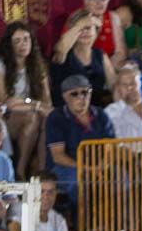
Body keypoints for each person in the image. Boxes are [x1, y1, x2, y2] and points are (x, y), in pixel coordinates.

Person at [0, 22, 52, 180]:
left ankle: (42, 171)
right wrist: (35, 104)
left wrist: (29, 103)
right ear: (9, 45)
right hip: (6, 117)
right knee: (33, 116)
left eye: (26, 39)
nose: (23, 44)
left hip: (32, 113)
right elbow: (6, 102)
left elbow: (47, 102)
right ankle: (20, 170)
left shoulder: (38, 65)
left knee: (47, 119)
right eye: (17, 41)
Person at [46, 74, 116, 207]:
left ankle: (120, 219)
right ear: (65, 96)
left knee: (123, 178)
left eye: (85, 92)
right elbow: (58, 156)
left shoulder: (101, 115)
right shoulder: (56, 117)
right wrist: (87, 169)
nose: (81, 97)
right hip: (66, 168)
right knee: (80, 182)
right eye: (74, 94)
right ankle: (86, 219)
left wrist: (102, 166)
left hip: (99, 166)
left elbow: (110, 147)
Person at [51, 9, 116, 107]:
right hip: (67, 110)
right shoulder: (64, 54)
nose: (84, 32)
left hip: (96, 110)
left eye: (88, 28)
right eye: (80, 29)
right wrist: (83, 23)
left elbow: (113, 85)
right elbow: (61, 47)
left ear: (96, 32)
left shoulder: (100, 55)